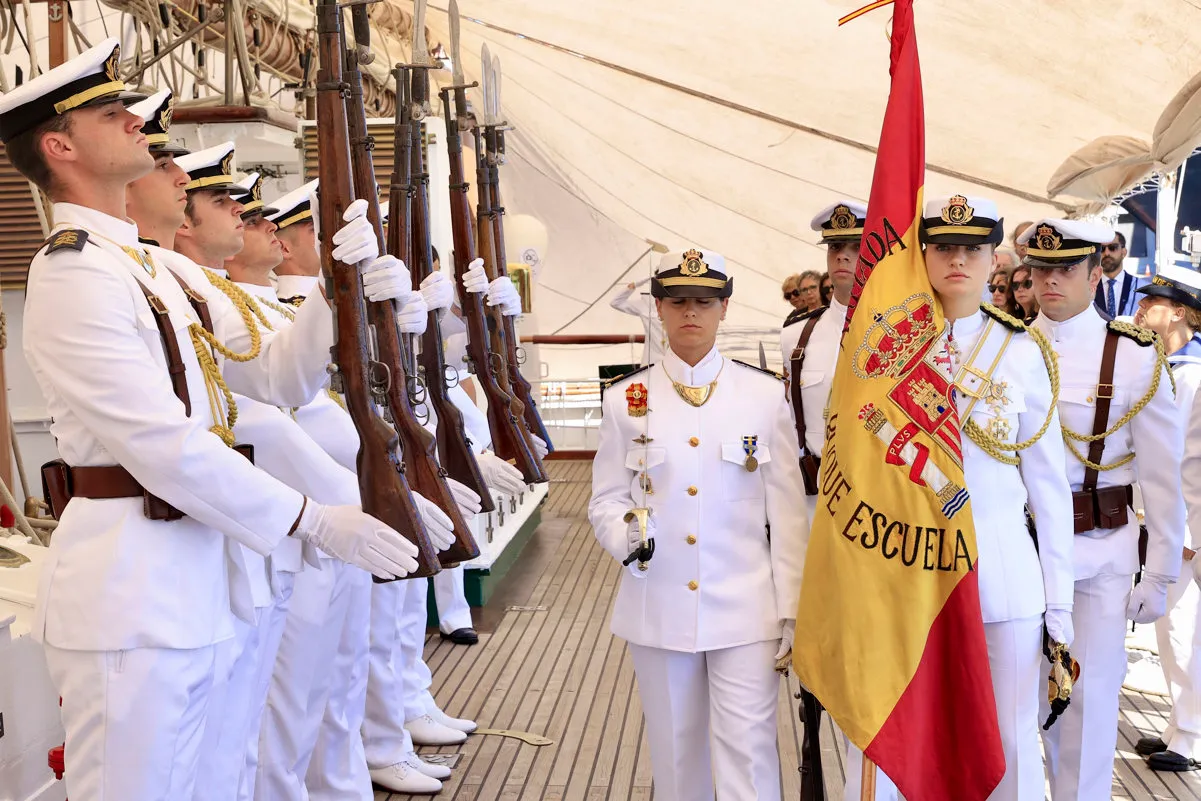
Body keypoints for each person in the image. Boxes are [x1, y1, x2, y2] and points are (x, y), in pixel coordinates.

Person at [4, 41, 419, 801]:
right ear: (59, 148)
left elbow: (279, 375)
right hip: (133, 587)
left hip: (209, 574)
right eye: (110, 112)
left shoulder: (160, 269)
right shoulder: (72, 271)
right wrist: (312, 519)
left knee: (222, 783)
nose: (135, 121)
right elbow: (160, 445)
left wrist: (337, 286)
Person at [846, 195, 1076, 801]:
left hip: (1001, 574)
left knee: (1010, 741)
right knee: (906, 736)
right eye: (944, 247)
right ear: (923, 254)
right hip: (907, 572)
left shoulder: (1023, 353)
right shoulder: (887, 353)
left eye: (971, 249)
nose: (957, 260)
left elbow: (1049, 490)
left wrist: (1061, 604)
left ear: (994, 257)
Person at [589, 248, 807, 801]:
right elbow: (606, 499)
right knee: (675, 751)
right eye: (679, 301)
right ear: (659, 309)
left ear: (724, 308)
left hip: (746, 609)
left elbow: (785, 512)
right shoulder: (625, 400)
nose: (692, 313)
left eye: (704, 302)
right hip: (658, 605)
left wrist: (793, 609)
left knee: (750, 752)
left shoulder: (762, 395)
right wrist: (629, 540)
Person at [1024, 218, 1186, 800]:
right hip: (1023, 550)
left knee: (1090, 706)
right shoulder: (1005, 346)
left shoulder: (1134, 355)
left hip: (1100, 551)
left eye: (1066, 268)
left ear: (1096, 274)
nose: (1050, 280)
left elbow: (1165, 475)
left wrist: (1162, 570)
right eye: (1041, 268)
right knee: (1018, 701)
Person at [1132, 265, 1201, 772]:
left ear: (1178, 312)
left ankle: (1192, 739)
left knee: (1187, 634)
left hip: (1191, 525)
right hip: (1159, 523)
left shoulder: (1195, 376)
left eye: (1149, 304)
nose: (1139, 310)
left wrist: (1192, 535)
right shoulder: (1153, 366)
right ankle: (1180, 728)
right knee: (1169, 633)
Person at [779, 199, 863, 525]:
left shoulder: (903, 333)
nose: (842, 255)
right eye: (835, 246)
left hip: (888, 499)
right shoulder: (797, 338)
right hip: (821, 502)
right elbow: (788, 419)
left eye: (856, 247)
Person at [610, 275, 666, 365]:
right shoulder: (646, 303)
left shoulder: (682, 302)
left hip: (676, 363)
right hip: (652, 362)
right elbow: (616, 302)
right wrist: (637, 283)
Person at [1093, 231, 1147, 319]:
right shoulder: (1089, 287)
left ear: (1124, 252)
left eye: (1112, 248)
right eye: (1102, 249)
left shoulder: (1141, 288)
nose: (1106, 253)